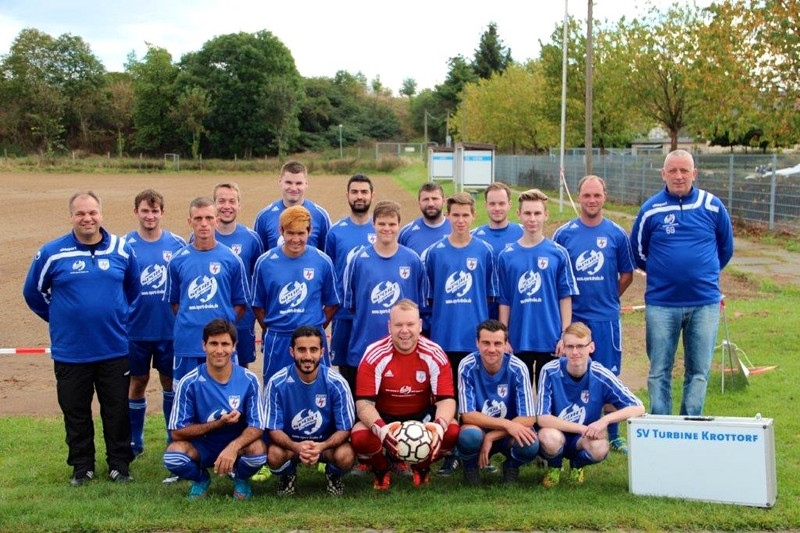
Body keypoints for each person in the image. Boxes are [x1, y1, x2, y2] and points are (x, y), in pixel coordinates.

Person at [23, 191, 139, 486]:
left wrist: (116, 315)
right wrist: (60, 317)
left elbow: (132, 289)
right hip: (71, 352)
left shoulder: (122, 250)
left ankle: (119, 465)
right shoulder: (52, 253)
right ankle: (81, 467)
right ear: (71, 216)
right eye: (80, 213)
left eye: (92, 212)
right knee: (76, 412)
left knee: (116, 411)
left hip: (113, 348)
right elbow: (33, 293)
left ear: (101, 213)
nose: (87, 218)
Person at [630, 149, 734, 416]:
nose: (678, 176)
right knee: (659, 370)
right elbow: (639, 253)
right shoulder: (651, 209)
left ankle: (691, 423)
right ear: (663, 174)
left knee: (698, 370)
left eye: (684, 170)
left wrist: (702, 274)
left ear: (694, 174)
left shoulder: (712, 206)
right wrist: (666, 274)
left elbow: (725, 249)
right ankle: (662, 426)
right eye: (673, 171)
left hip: (705, 304)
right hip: (662, 305)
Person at [552, 175, 636, 453]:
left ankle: (613, 432)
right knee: (573, 374)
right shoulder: (564, 234)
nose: (592, 200)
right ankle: (571, 431)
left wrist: (610, 297)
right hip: (575, 320)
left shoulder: (616, 234)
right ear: (579, 197)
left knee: (609, 377)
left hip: (605, 320)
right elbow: (556, 276)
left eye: (597, 195)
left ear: (605, 196)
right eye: (587, 195)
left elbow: (627, 274)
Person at [421, 191, 496, 476]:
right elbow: (428, 300)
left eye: (466, 215)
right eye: (456, 215)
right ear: (448, 216)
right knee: (447, 399)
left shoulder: (484, 251)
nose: (461, 220)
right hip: (444, 339)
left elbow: (490, 297)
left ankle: (477, 452)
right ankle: (450, 452)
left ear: (473, 216)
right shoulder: (436, 253)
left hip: (476, 343)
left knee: (474, 400)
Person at [350, 300, 459, 490]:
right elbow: (364, 404)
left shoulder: (434, 353)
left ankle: (422, 466)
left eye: (410, 324)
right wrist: (381, 429)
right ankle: (382, 467)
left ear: (420, 325)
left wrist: (439, 427)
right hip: (385, 416)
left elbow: (446, 400)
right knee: (360, 436)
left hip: (421, 415)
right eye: (398, 325)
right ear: (389, 326)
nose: (404, 331)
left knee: (451, 431)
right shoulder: (374, 354)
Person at [163, 319, 266, 500]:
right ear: (204, 345)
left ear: (234, 346)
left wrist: (232, 448)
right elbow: (177, 432)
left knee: (258, 452)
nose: (219, 350)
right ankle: (201, 479)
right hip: (203, 444)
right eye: (213, 344)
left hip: (238, 443)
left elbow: (257, 426)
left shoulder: (248, 379)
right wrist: (219, 423)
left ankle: (241, 479)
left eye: (225, 344)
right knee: (173, 457)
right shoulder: (189, 382)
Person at [536, 322, 644, 487]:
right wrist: (583, 428)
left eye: (580, 346)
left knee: (600, 448)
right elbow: (543, 418)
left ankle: (577, 466)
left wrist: (604, 421)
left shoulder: (600, 374)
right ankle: (554, 467)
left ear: (591, 347)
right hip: (558, 433)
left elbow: (638, 407)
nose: (575, 352)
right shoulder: (550, 371)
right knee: (548, 437)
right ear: (563, 348)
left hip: (584, 439)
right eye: (570, 346)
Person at [124, 189, 187, 459]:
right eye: (145, 211)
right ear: (136, 212)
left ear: (162, 212)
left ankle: (172, 437)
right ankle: (135, 441)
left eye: (154, 211)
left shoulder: (177, 244)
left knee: (169, 384)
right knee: (137, 382)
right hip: (135, 331)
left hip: (169, 332)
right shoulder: (124, 246)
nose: (150, 216)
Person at [341, 201, 428, 391]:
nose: (387, 229)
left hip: (403, 349)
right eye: (382, 224)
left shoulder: (412, 260)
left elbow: (419, 306)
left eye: (392, 224)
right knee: (365, 410)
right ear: (373, 224)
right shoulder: (358, 260)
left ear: (399, 225)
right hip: (366, 348)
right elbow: (352, 305)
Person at [497, 189, 579, 387]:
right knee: (519, 401)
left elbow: (565, 296)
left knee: (547, 401)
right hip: (518, 340)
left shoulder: (558, 253)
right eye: (527, 213)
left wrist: (564, 336)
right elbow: (504, 300)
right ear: (519, 215)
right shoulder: (506, 256)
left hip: (550, 341)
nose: (532, 219)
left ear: (545, 215)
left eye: (537, 213)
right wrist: (504, 337)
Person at [264, 326, 355, 496]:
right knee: (274, 454)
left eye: (313, 350)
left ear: (322, 352)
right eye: (301, 350)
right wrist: (296, 446)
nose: (307, 356)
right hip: (291, 445)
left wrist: (321, 446)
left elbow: (345, 429)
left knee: (346, 455)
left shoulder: (337, 383)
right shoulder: (277, 383)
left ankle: (333, 475)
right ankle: (288, 475)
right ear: (292, 352)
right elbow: (273, 429)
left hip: (325, 445)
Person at [252, 205, 339, 383]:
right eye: (290, 233)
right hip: (278, 339)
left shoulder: (322, 261)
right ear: (281, 231)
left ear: (309, 231)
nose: (295, 239)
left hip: (312, 340)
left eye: (301, 233)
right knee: (276, 390)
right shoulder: (265, 262)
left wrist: (316, 327)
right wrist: (273, 329)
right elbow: (258, 306)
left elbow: (332, 303)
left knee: (318, 389)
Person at [166, 197, 249, 382]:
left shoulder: (232, 259)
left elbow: (240, 304)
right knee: (185, 397)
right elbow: (175, 304)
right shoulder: (178, 260)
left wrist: (223, 325)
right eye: (198, 219)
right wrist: (193, 320)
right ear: (190, 222)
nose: (204, 224)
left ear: (217, 221)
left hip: (221, 347)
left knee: (222, 398)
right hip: (187, 344)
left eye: (209, 218)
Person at [457, 320, 539, 485]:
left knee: (530, 443)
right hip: (479, 428)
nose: (492, 349)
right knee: (469, 436)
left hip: (507, 433)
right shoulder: (466, 366)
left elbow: (529, 418)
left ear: (506, 345)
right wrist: (506, 424)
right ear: (477, 343)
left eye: (497, 343)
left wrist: (493, 435)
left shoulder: (518, 367)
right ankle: (471, 467)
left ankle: (511, 466)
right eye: (486, 343)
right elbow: (467, 415)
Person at [324, 174, 376, 389]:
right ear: (347, 195)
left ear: (372, 195)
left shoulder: (381, 228)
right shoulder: (336, 232)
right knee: (346, 371)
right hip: (344, 315)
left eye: (364, 192)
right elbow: (329, 273)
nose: (359, 196)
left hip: (373, 314)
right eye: (354, 192)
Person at [212, 182, 264, 368]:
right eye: (221, 201)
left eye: (232, 201)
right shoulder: (200, 237)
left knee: (241, 369)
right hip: (211, 319)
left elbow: (258, 279)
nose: (227, 206)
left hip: (242, 320)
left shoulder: (251, 238)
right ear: (214, 205)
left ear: (239, 205)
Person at [471, 182, 524, 320]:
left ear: (510, 205)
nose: (497, 208)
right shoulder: (473, 236)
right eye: (492, 204)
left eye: (501, 203)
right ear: (485, 205)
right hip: (484, 306)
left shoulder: (523, 233)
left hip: (515, 304)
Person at [253, 160, 331, 251]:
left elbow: (326, 255)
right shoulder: (264, 216)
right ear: (280, 182)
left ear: (306, 184)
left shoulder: (321, 215)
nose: (294, 188)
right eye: (289, 183)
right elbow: (260, 257)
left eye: (299, 183)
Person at [398, 182, 452, 254]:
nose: (430, 204)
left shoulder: (456, 229)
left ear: (444, 201)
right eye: (426, 199)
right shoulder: (406, 232)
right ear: (419, 202)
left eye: (435, 199)